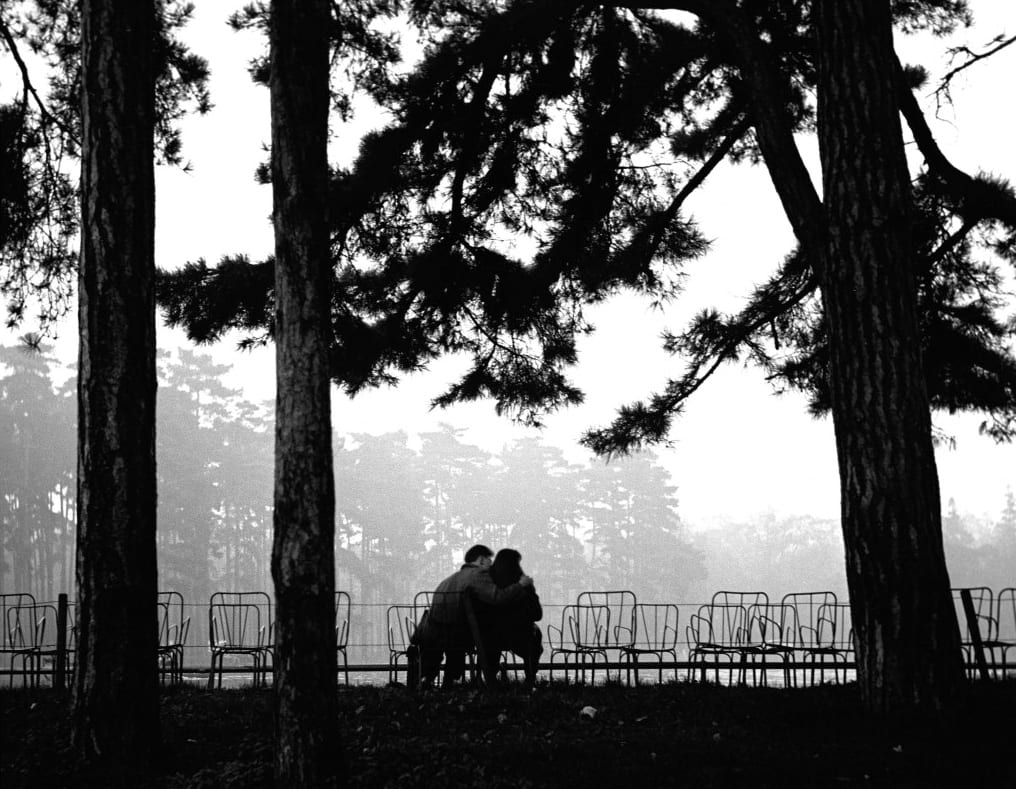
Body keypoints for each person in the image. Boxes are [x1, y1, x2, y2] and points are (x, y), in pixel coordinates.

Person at [412, 544, 533, 687]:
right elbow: (497, 597)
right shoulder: (477, 575)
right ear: (481, 560)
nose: (491, 563)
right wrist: (520, 584)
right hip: (458, 634)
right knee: (493, 637)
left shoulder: (449, 580)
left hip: (433, 634)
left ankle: (446, 681)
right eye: (489, 560)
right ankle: (491, 681)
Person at [481, 548, 544, 689]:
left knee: (492, 641)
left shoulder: (486, 585)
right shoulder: (523, 586)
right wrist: (531, 591)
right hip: (519, 637)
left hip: (490, 637)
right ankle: (530, 678)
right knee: (535, 636)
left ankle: (489, 681)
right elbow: (537, 614)